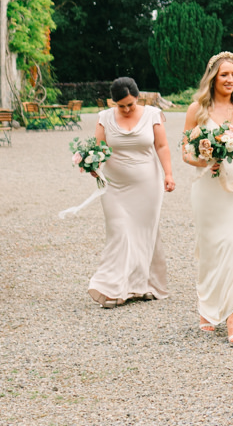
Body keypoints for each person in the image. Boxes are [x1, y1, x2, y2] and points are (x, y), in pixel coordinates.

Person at [181, 51, 233, 344]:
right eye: (225, 74)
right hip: (208, 189)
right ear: (213, 77)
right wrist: (205, 160)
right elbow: (186, 153)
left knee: (232, 247)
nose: (230, 80)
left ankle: (232, 316)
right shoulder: (196, 110)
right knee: (211, 249)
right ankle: (207, 306)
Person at [86, 76, 175, 308]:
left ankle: (143, 285)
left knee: (145, 233)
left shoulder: (153, 115)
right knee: (119, 231)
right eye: (121, 105)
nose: (126, 109)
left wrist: (168, 174)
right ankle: (113, 288)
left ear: (137, 98)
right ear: (113, 102)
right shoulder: (104, 118)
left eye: (130, 104)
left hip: (148, 184)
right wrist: (92, 165)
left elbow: (162, 145)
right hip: (114, 186)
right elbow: (99, 149)